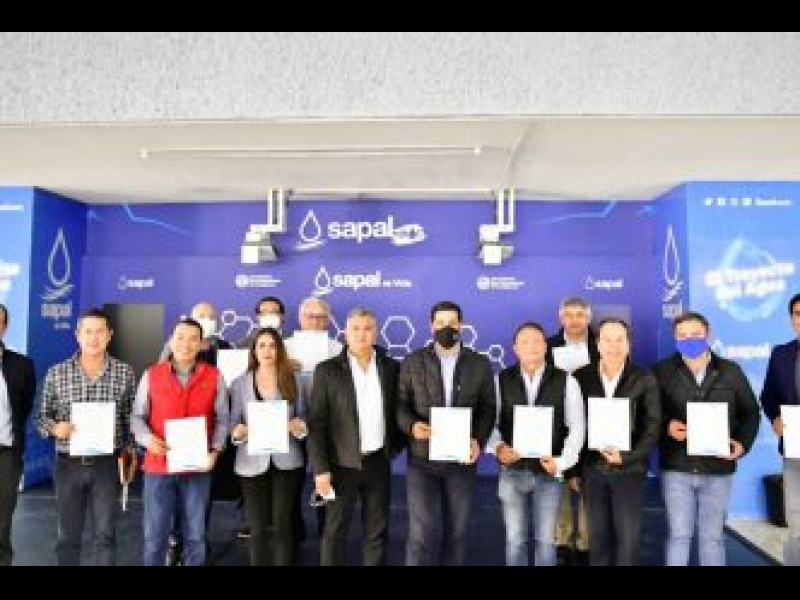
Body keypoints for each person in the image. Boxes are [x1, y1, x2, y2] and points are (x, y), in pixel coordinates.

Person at [653, 311, 760, 566]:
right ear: (674, 337)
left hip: (718, 468)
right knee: (679, 536)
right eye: (682, 335)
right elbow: (650, 413)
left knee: (712, 538)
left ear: (708, 334)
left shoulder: (731, 371)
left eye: (695, 334)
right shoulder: (662, 371)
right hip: (677, 467)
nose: (689, 340)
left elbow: (751, 412)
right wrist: (667, 426)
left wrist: (742, 444)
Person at [397, 300, 496, 566]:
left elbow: (488, 407)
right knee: (421, 533)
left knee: (457, 532)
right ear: (431, 326)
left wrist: (478, 440)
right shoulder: (412, 361)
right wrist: (411, 426)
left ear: (461, 325)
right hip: (422, 460)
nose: (446, 328)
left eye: (452, 323)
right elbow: (399, 404)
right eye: (440, 323)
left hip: (461, 460)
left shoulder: (479, 363)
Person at [36, 308, 136, 566]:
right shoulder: (57, 373)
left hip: (107, 464)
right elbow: (41, 418)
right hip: (68, 464)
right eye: (88, 332)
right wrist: (54, 428)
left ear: (110, 335)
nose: (94, 338)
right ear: (77, 335)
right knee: (67, 537)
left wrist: (131, 453)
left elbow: (131, 419)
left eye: (100, 331)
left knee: (106, 536)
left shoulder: (124, 373)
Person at [308, 307, 402, 566]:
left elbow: (399, 410)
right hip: (340, 465)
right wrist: (321, 469)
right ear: (345, 333)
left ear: (376, 332)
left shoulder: (392, 368)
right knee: (334, 532)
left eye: (367, 328)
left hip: (378, 462)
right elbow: (316, 424)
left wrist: (394, 448)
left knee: (377, 532)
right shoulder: (327, 370)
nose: (362, 334)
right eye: (356, 329)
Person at [132, 317, 229, 567]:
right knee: (155, 537)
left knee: (196, 536)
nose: (186, 344)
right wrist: (147, 440)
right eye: (180, 338)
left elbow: (222, 419)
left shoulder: (214, 376)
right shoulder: (151, 375)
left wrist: (215, 451)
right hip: (158, 467)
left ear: (202, 344)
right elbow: (137, 417)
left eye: (193, 339)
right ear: (171, 341)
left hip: (198, 468)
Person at [572, 318, 660, 566]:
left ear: (629, 344)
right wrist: (573, 471)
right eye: (608, 340)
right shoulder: (581, 377)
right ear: (598, 344)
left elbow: (652, 426)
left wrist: (627, 457)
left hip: (629, 470)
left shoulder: (644, 378)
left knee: (628, 538)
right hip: (592, 469)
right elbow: (573, 425)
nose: (614, 346)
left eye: (620, 340)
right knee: (597, 537)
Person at [496, 322, 585, 566]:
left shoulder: (566, 381)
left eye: (537, 341)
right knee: (515, 540)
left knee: (546, 541)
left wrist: (562, 462)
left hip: (549, 472)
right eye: (524, 342)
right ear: (515, 348)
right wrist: (498, 448)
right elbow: (490, 423)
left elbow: (577, 426)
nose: (531, 346)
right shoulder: (500, 380)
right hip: (512, 472)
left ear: (546, 346)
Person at [230, 327, 306, 565]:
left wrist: (298, 426)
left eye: (272, 345)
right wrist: (238, 432)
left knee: (283, 526)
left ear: (279, 350)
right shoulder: (240, 383)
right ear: (254, 351)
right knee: (258, 528)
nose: (267, 350)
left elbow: (304, 419)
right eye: (261, 345)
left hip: (287, 462)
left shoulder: (294, 380)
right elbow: (233, 423)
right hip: (251, 463)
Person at [284, 297, 343, 540]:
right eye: (310, 316)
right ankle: (293, 531)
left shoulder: (338, 349)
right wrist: (282, 367)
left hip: (327, 425)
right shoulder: (283, 348)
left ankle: (325, 531)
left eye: (321, 317)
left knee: (325, 480)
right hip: (292, 424)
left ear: (328, 320)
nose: (315, 321)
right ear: (300, 318)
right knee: (291, 482)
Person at [546, 297, 597, 565]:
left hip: (595, 421)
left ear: (588, 318)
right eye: (569, 314)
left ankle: (586, 542)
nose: (574, 320)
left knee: (589, 481)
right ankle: (562, 540)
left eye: (580, 314)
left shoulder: (602, 343)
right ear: (561, 318)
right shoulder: (548, 345)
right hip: (557, 424)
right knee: (560, 484)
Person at [760, 292, 800, 565]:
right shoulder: (781, 354)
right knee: (796, 520)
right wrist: (775, 418)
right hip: (794, 450)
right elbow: (768, 395)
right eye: (798, 314)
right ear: (791, 319)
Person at [0, 303, 35, 566]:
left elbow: (24, 406)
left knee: (3, 518)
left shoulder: (22, 364)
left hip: (7, 454)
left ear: (5, 326)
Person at [159, 301, 232, 365]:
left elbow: (231, 372)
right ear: (192, 319)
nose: (207, 320)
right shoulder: (176, 344)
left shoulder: (224, 346)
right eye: (202, 316)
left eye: (211, 317)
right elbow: (161, 371)